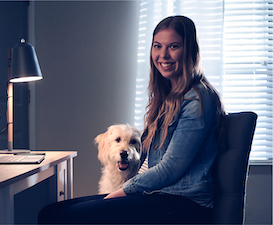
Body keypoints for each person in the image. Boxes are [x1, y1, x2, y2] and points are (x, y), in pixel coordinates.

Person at [38, 15, 226, 224]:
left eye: (173, 46)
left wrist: (122, 192)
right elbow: (146, 153)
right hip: (160, 195)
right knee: (49, 212)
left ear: (190, 51)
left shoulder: (198, 98)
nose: (163, 55)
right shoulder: (168, 98)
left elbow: (171, 167)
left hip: (186, 204)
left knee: (63, 218)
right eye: (157, 46)